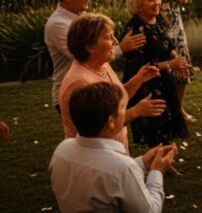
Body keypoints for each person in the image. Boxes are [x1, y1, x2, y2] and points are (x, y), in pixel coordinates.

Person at [50, 82, 177, 213]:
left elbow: (102, 175)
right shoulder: (122, 168)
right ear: (111, 121)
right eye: (123, 108)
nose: (126, 112)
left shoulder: (62, 150)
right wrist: (156, 172)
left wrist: (142, 163)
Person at [59, 14, 165, 154]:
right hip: (96, 157)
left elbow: (115, 99)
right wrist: (136, 111)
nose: (116, 42)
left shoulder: (101, 65)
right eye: (109, 37)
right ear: (90, 47)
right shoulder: (80, 83)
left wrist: (138, 80)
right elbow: (101, 128)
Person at [45, 0, 145, 111]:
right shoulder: (57, 25)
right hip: (76, 93)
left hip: (96, 85)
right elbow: (83, 55)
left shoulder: (82, 16)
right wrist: (121, 48)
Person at [131, 0, 195, 122]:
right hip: (153, 26)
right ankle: (157, 110)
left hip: (176, 27)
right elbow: (134, 0)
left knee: (182, 69)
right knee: (156, 68)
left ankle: (179, 110)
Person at [122, 0, 189, 146]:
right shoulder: (135, 29)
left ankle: (165, 161)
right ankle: (159, 162)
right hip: (146, 85)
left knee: (167, 121)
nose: (157, 3)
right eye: (151, 0)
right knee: (156, 125)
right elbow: (142, 66)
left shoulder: (156, 20)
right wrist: (171, 64)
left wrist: (175, 57)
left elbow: (167, 44)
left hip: (163, 81)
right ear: (138, 4)